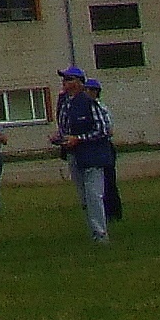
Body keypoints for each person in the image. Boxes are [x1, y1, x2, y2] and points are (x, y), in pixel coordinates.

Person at [50, 64, 114, 243]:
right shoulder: (65, 102)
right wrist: (60, 138)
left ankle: (101, 235)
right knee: (85, 198)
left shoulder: (88, 102)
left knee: (94, 196)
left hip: (93, 155)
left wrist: (79, 138)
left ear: (79, 83)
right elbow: (65, 127)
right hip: (74, 155)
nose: (64, 82)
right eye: (64, 79)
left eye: (69, 79)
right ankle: (94, 231)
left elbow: (103, 129)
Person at [89, 80, 124, 222]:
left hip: (104, 147)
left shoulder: (100, 108)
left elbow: (109, 130)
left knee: (108, 180)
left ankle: (113, 212)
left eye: (88, 90)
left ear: (95, 92)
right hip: (96, 147)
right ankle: (103, 211)